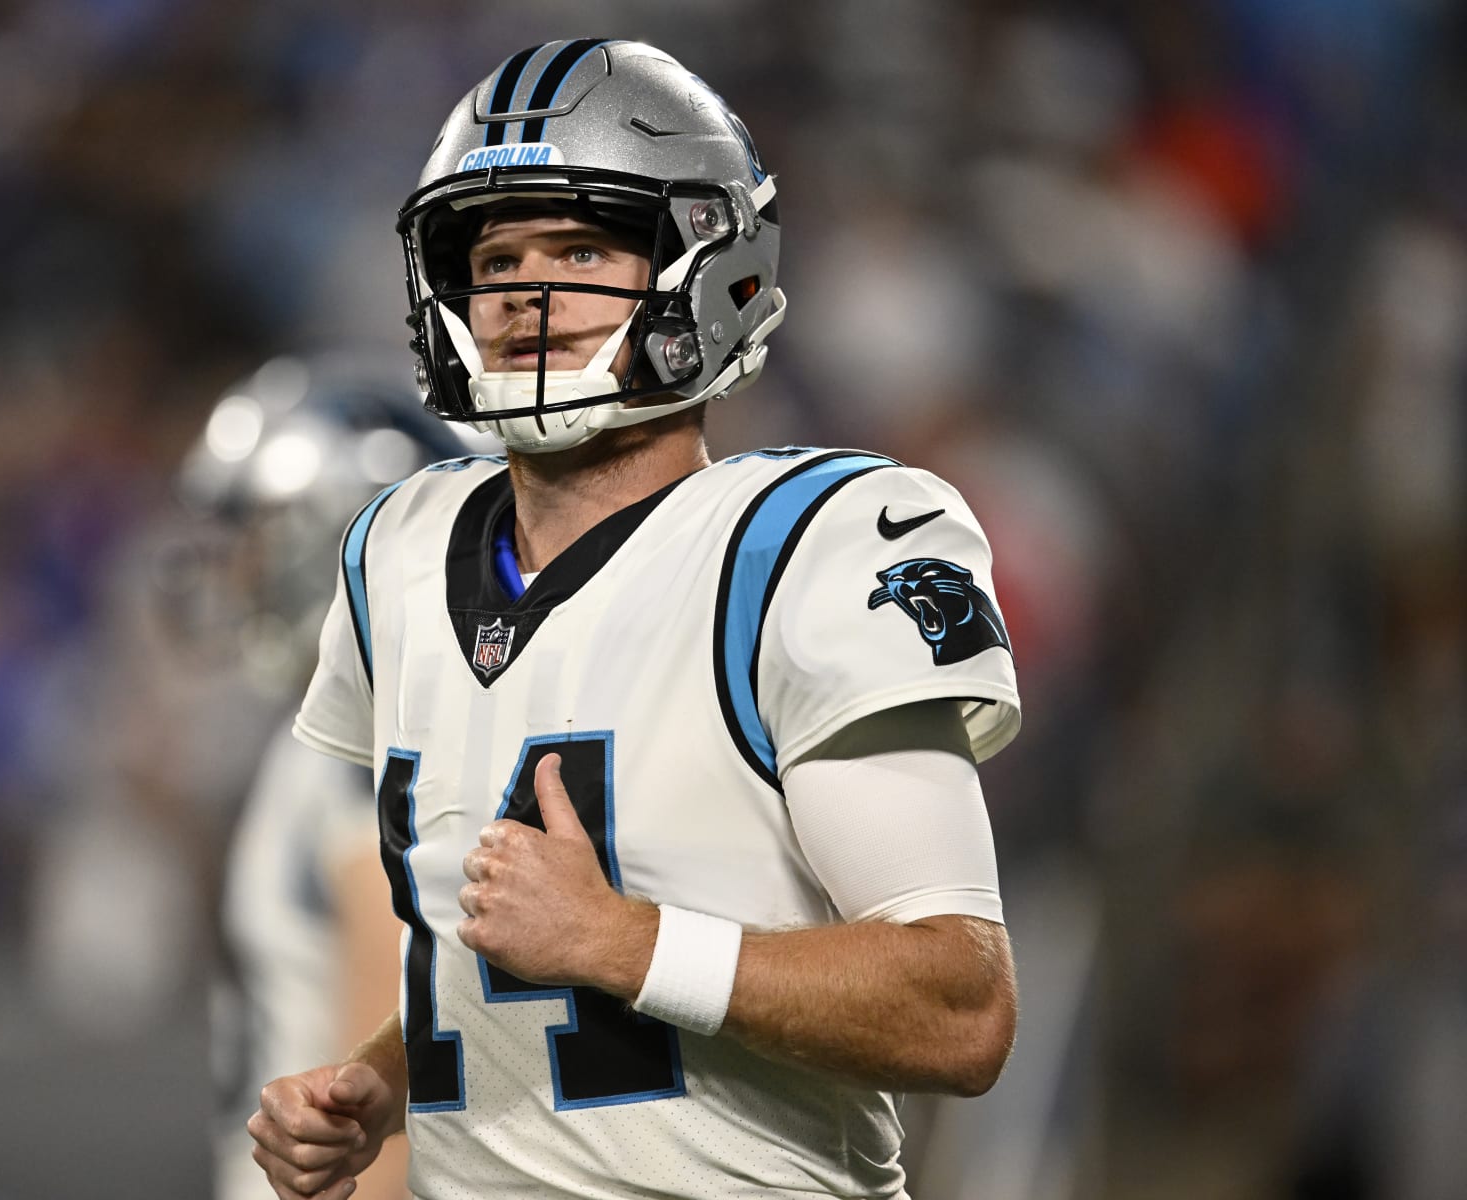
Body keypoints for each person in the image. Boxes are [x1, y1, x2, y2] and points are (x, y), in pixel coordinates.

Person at [249, 39, 1022, 1200]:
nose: (523, 291)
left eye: (580, 246)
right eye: (495, 256)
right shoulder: (396, 552)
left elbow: (961, 1008)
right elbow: (515, 970)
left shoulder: (805, 545)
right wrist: (381, 1081)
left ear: (708, 268)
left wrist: (629, 943)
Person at [170, 356, 481, 1200]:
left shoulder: (370, 745)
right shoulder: (361, 728)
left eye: (261, 539)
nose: (237, 574)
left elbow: (376, 1102)